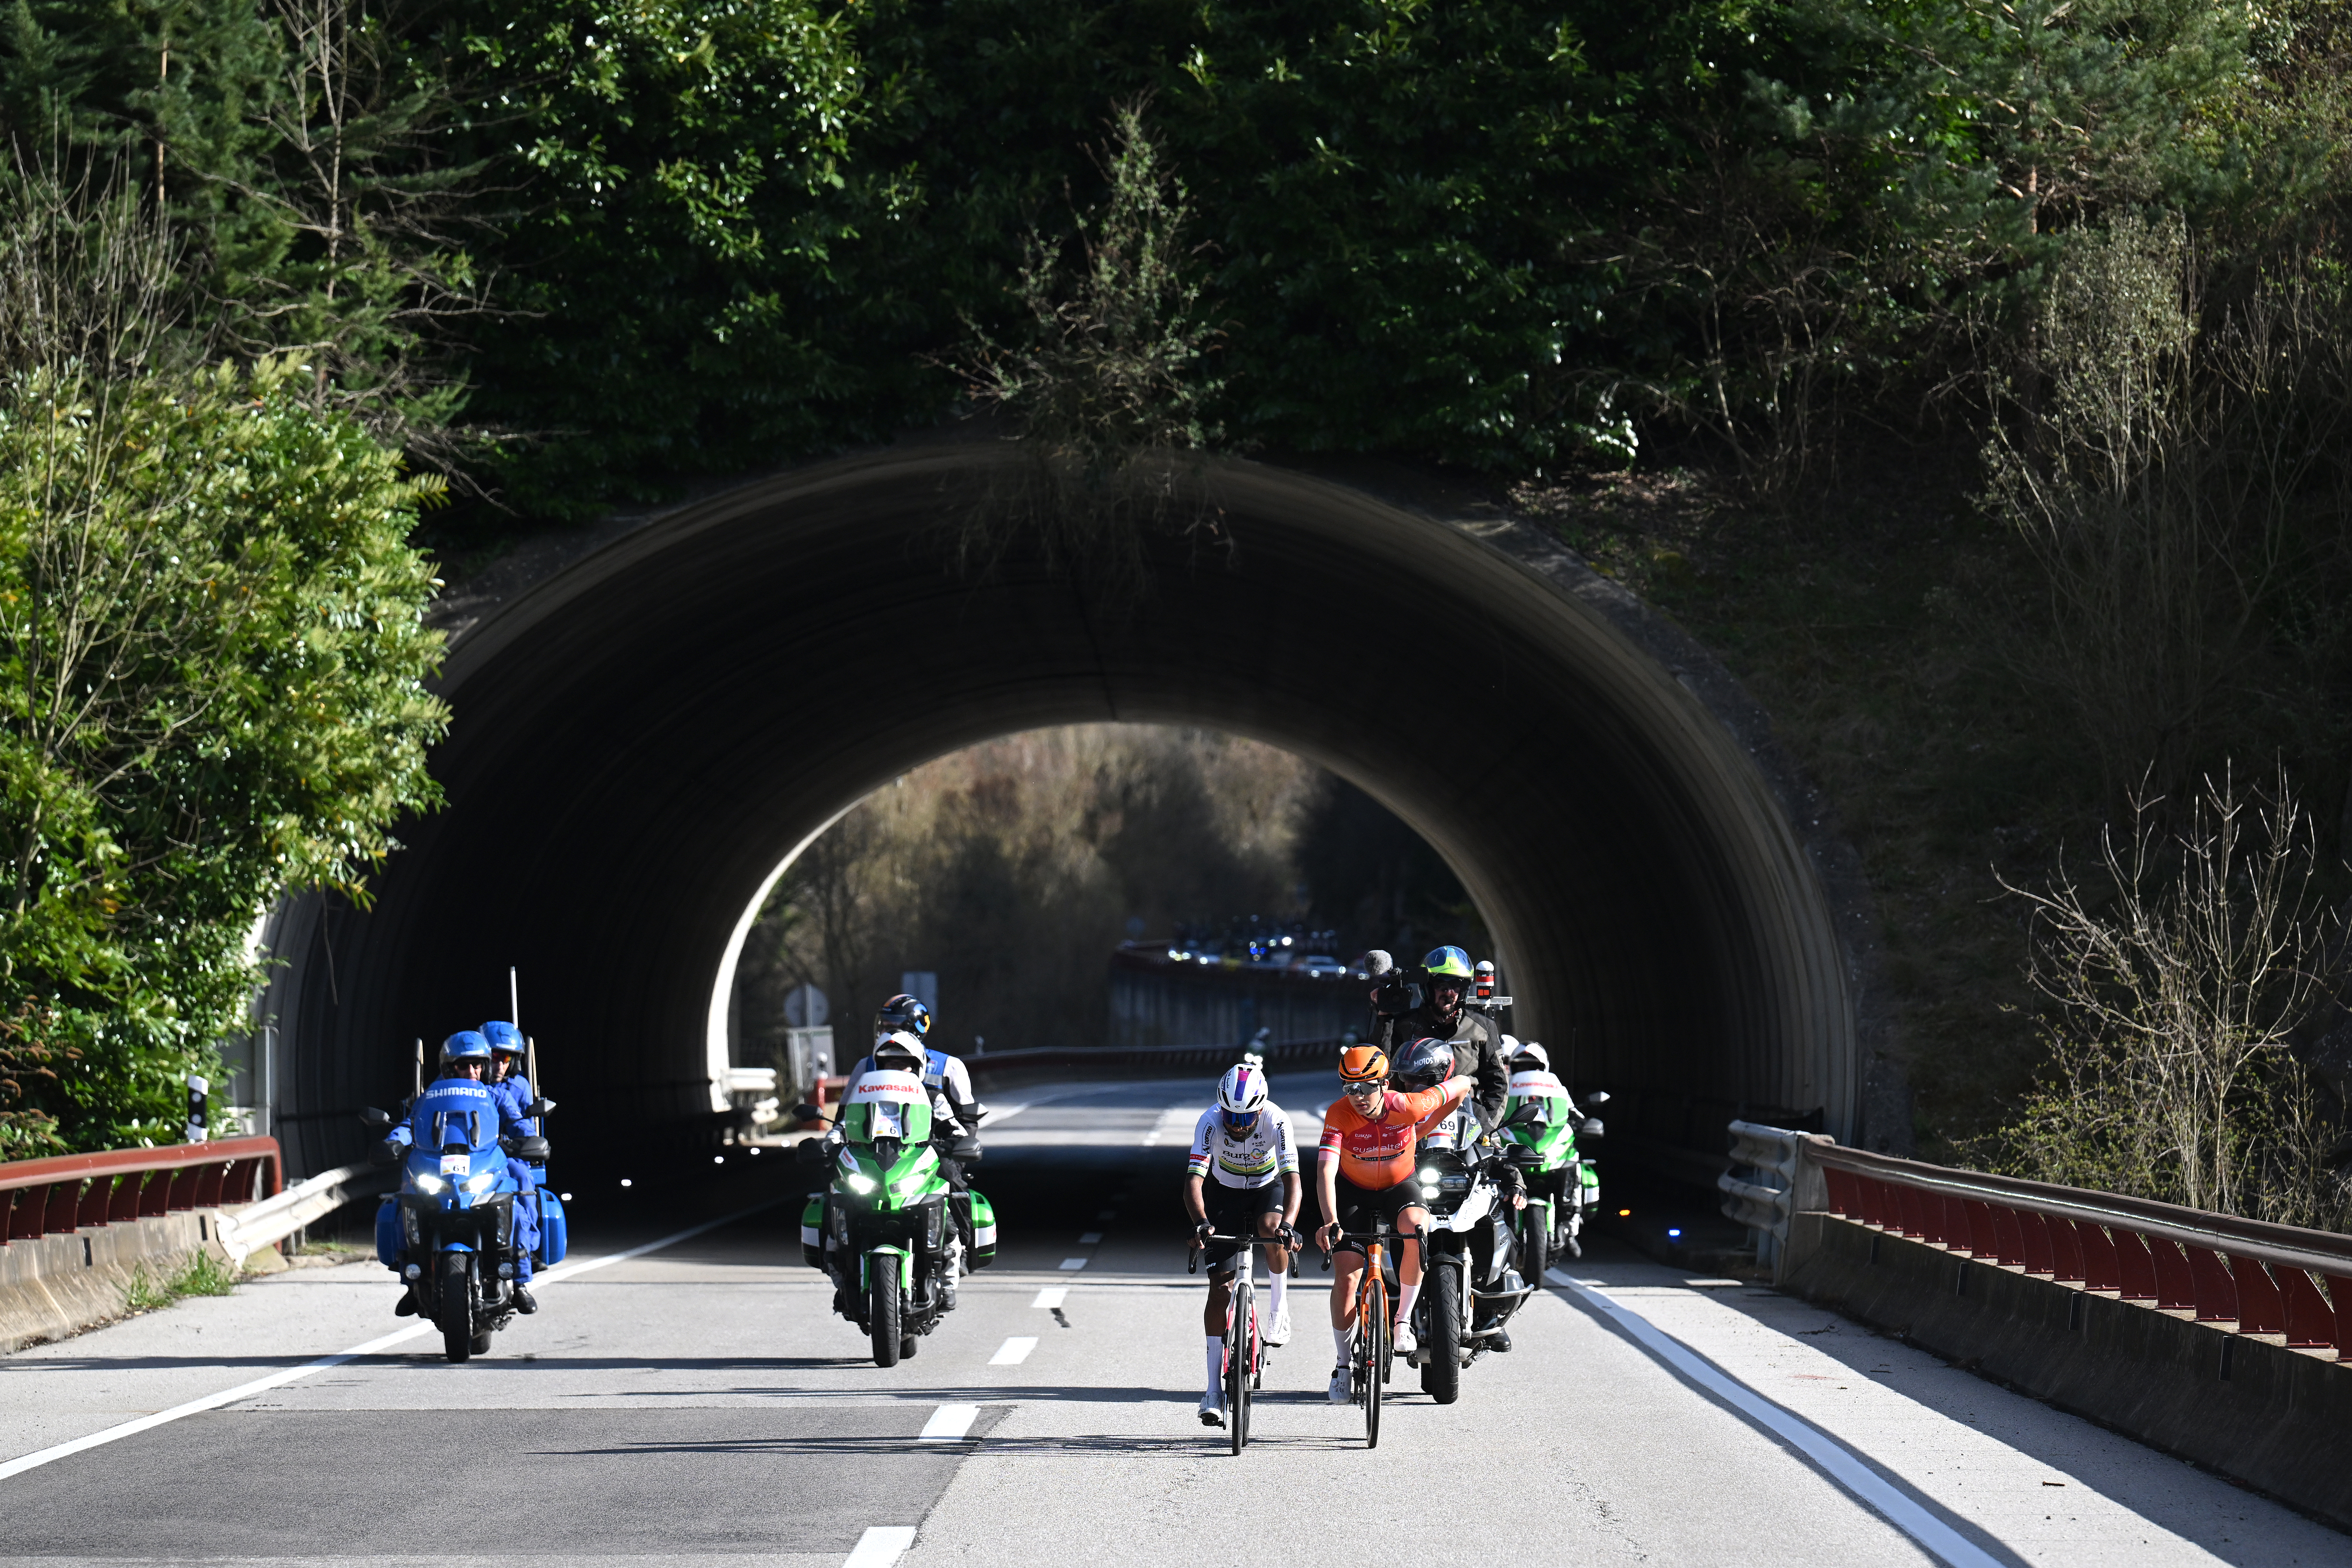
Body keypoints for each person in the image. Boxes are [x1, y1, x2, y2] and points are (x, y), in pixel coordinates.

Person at [1314, 1043, 1475, 1402]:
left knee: (1418, 1226)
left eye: (1367, 1086)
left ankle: (1401, 1320)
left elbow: (1462, 1084)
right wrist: (1330, 1220)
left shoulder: (1408, 1105)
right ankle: (1342, 1364)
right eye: (1349, 1087)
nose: (1357, 1096)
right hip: (1353, 1189)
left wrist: (1424, 1128)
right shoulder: (1338, 1114)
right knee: (1348, 1274)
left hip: (1398, 1186)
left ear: (1384, 1083)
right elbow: (1326, 1169)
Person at [379, 1031, 541, 1316]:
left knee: (517, 1194)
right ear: (449, 1068)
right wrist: (394, 1141)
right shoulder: (432, 1095)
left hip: (487, 1163)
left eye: (478, 1065)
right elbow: (410, 1123)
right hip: (440, 1166)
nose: (472, 1072)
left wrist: (528, 1140)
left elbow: (517, 1122)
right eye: (464, 1066)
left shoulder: (496, 1094)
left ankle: (520, 1282)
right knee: (406, 1200)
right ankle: (411, 1282)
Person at [1182, 1062, 1302, 1426]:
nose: (1236, 1125)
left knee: (1272, 1228)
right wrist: (1202, 1223)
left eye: (1245, 1117)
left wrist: (1289, 1225)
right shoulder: (1209, 1121)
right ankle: (1212, 1391)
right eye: (1231, 1117)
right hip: (1225, 1193)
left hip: (1268, 1188)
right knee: (1220, 1288)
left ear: (1260, 1108)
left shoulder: (1277, 1121)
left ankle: (1279, 1307)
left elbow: (1293, 1180)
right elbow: (1193, 1182)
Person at [1372, 946, 1511, 1130]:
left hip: (1467, 1124)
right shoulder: (1403, 1025)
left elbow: (1498, 1082)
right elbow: (1380, 1071)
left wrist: (1486, 1126)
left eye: (1457, 987)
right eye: (1442, 986)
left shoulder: (1482, 1027)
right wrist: (1384, 1019)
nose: (1450, 993)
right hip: (1412, 1121)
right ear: (1428, 988)